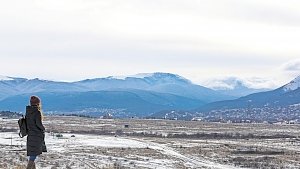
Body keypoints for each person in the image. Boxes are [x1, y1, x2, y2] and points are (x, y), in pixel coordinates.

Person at [26, 96, 47, 169]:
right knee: (33, 156)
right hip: (36, 136)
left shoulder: (28, 111)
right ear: (38, 103)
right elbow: (38, 124)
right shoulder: (37, 112)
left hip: (30, 135)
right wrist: (43, 129)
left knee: (32, 154)